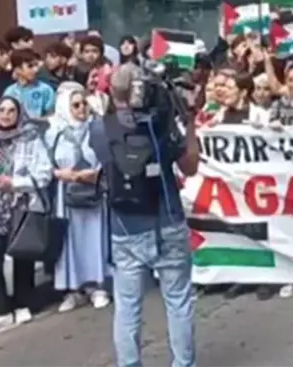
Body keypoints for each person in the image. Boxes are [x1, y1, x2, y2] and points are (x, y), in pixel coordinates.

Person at [88, 65, 199, 367]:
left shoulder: (100, 127)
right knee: (178, 301)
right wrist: (187, 121)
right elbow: (190, 166)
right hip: (168, 222)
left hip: (125, 226)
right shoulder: (160, 125)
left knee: (127, 306)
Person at [0, 95, 51, 332]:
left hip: (20, 205)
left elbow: (44, 174)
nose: (5, 115)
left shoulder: (31, 138)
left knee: (22, 258)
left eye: (11, 110)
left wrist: (14, 183)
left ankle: (23, 304)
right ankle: (1, 309)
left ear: (19, 114)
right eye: (1, 110)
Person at [47, 84, 110, 313]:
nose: (81, 108)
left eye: (84, 103)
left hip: (93, 193)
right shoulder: (54, 132)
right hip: (66, 196)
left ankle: (97, 286)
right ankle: (72, 290)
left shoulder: (97, 129)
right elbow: (44, 163)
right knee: (69, 243)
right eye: (75, 105)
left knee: (94, 239)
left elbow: (107, 157)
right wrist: (61, 174)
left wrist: (95, 173)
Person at [3, 49, 56, 120]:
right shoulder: (9, 92)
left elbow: (53, 116)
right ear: (17, 69)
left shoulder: (46, 90)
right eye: (30, 66)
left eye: (36, 65)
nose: (36, 70)